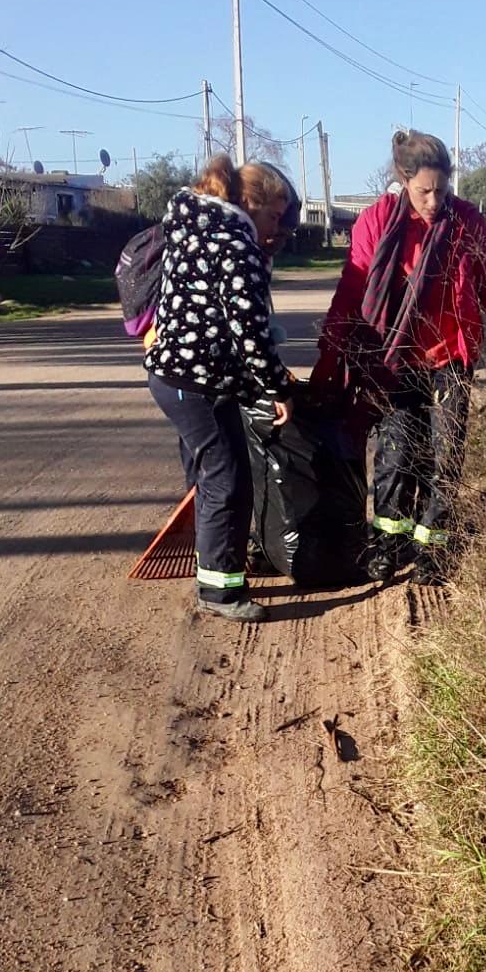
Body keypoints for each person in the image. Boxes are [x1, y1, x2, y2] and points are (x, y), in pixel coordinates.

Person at [314, 128, 486, 585]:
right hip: (397, 359)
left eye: (441, 190)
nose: (433, 201)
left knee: (445, 456)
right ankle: (388, 542)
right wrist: (329, 357)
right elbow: (352, 294)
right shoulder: (376, 223)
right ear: (404, 180)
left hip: (450, 356)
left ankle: (434, 547)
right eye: (424, 190)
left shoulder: (467, 221)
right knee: (396, 452)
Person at [145, 154, 294, 623]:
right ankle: (219, 590)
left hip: (180, 376)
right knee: (226, 480)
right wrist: (277, 388)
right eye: (274, 214)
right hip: (196, 382)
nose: (276, 227)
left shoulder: (194, 229)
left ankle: (214, 562)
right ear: (251, 202)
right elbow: (249, 330)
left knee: (214, 473)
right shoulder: (235, 242)